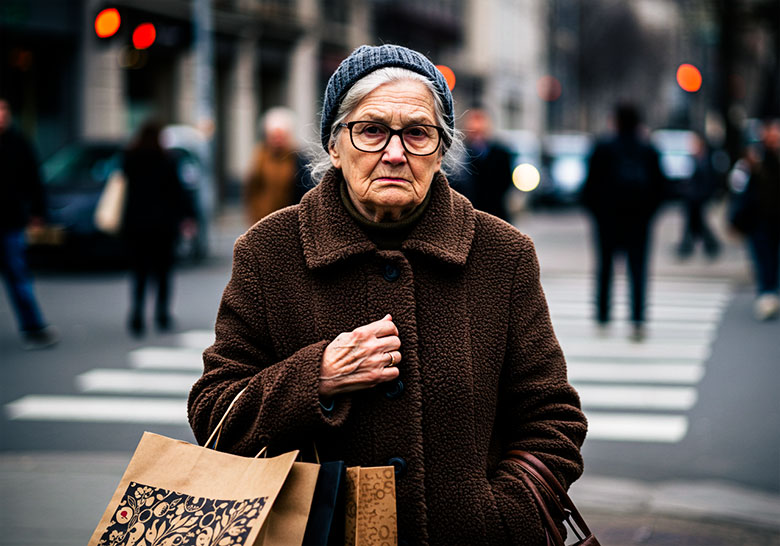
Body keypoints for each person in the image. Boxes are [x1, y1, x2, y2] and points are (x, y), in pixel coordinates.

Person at [188, 44, 587, 545]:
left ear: (442, 151)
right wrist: (318, 376)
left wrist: (497, 518)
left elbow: (553, 419)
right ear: (334, 145)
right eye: (372, 129)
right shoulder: (270, 251)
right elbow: (214, 415)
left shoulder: (502, 255)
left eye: (418, 132)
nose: (395, 153)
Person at [581, 103, 666, 341]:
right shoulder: (648, 149)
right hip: (638, 222)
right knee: (638, 270)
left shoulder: (603, 147)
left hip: (608, 220)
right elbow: (661, 188)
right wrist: (648, 215)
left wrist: (597, 214)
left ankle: (603, 315)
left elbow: (589, 187)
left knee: (605, 268)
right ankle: (637, 318)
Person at [121, 120, 195, 336]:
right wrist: (188, 217)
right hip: (163, 226)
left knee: (139, 272)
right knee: (163, 272)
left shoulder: (130, 159)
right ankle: (162, 314)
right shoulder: (168, 160)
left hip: (136, 225)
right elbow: (178, 191)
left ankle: (137, 315)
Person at [0, 98, 59, 350]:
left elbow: (34, 180)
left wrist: (38, 213)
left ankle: (33, 326)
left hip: (10, 221)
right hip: (11, 219)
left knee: (18, 276)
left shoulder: (18, 143)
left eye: (3, 110)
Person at [729, 118, 780, 320]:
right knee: (762, 257)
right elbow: (740, 186)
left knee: (772, 258)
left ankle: (770, 292)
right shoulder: (753, 158)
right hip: (758, 219)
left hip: (775, 218)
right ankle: (766, 293)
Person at [244, 107, 309, 225]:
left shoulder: (298, 159)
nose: (277, 140)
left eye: (281, 136)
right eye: (274, 136)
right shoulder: (260, 157)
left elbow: (304, 191)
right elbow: (251, 188)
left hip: (288, 220)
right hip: (262, 219)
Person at [453, 107, 514, 222]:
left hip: (495, 216)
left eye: (480, 120)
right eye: (473, 120)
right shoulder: (459, 153)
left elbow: (506, 183)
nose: (476, 126)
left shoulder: (501, 152)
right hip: (468, 217)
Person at [676, 133, 720, 259]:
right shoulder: (692, 158)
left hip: (700, 196)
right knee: (693, 223)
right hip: (691, 196)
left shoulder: (706, 158)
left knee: (697, 223)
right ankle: (689, 247)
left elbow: (710, 178)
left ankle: (694, 246)